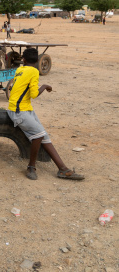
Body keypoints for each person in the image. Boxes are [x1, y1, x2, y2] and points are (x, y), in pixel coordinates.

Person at [7, 48, 84, 181]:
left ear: (23, 60)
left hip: (20, 108)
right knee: (39, 135)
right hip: (19, 111)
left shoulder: (19, 70)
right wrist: (45, 86)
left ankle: (63, 169)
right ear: (37, 60)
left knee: (44, 136)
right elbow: (34, 94)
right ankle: (31, 166)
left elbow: (15, 89)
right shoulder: (34, 72)